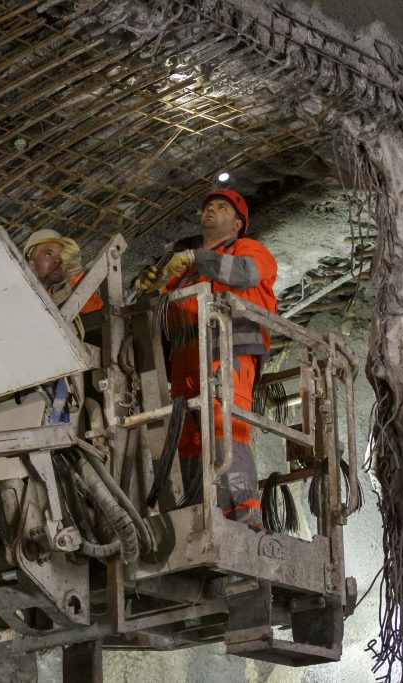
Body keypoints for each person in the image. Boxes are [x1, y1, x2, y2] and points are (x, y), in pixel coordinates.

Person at [135, 189, 277, 529]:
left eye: (222, 207)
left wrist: (198, 258)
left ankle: (242, 514)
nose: (211, 211)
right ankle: (198, 513)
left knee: (223, 424)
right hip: (185, 360)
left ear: (238, 223)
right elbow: (157, 315)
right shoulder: (181, 271)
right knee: (186, 435)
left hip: (229, 351)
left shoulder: (249, 249)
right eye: (208, 207)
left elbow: (244, 274)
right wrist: (148, 288)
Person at [23, 229, 102, 313]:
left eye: (61, 256)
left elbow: (95, 310)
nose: (57, 260)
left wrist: (75, 275)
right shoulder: (16, 287)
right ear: (30, 261)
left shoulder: (67, 294)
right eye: (48, 254)